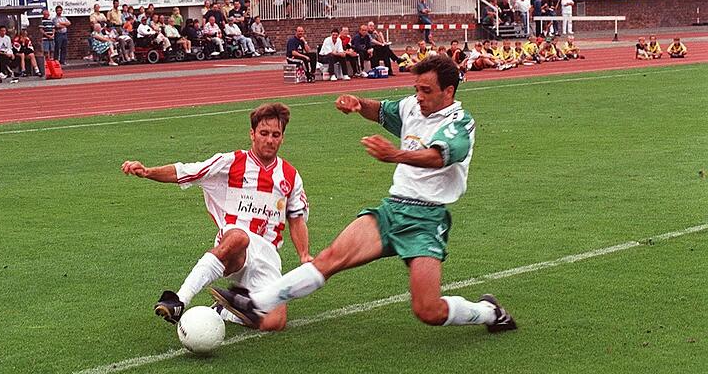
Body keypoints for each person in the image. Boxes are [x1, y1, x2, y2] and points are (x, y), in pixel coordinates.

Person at [212, 57, 517, 334]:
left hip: (427, 220)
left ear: (448, 92)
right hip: (392, 209)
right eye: (416, 89)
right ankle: (255, 302)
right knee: (331, 257)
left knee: (428, 310)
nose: (418, 96)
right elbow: (384, 111)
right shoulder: (414, 106)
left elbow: (438, 156)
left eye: (426, 90)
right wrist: (358, 103)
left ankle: (489, 313)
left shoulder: (459, 122)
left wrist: (395, 154)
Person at [121, 103, 312, 332]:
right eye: (263, 133)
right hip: (233, 243)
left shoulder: (290, 175)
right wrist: (148, 171)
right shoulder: (231, 162)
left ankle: (225, 309)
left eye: (275, 135)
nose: (269, 140)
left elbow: (296, 218)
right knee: (240, 237)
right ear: (252, 134)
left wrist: (304, 255)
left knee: (274, 323)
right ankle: (179, 299)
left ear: (282, 137)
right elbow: (185, 171)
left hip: (267, 255)